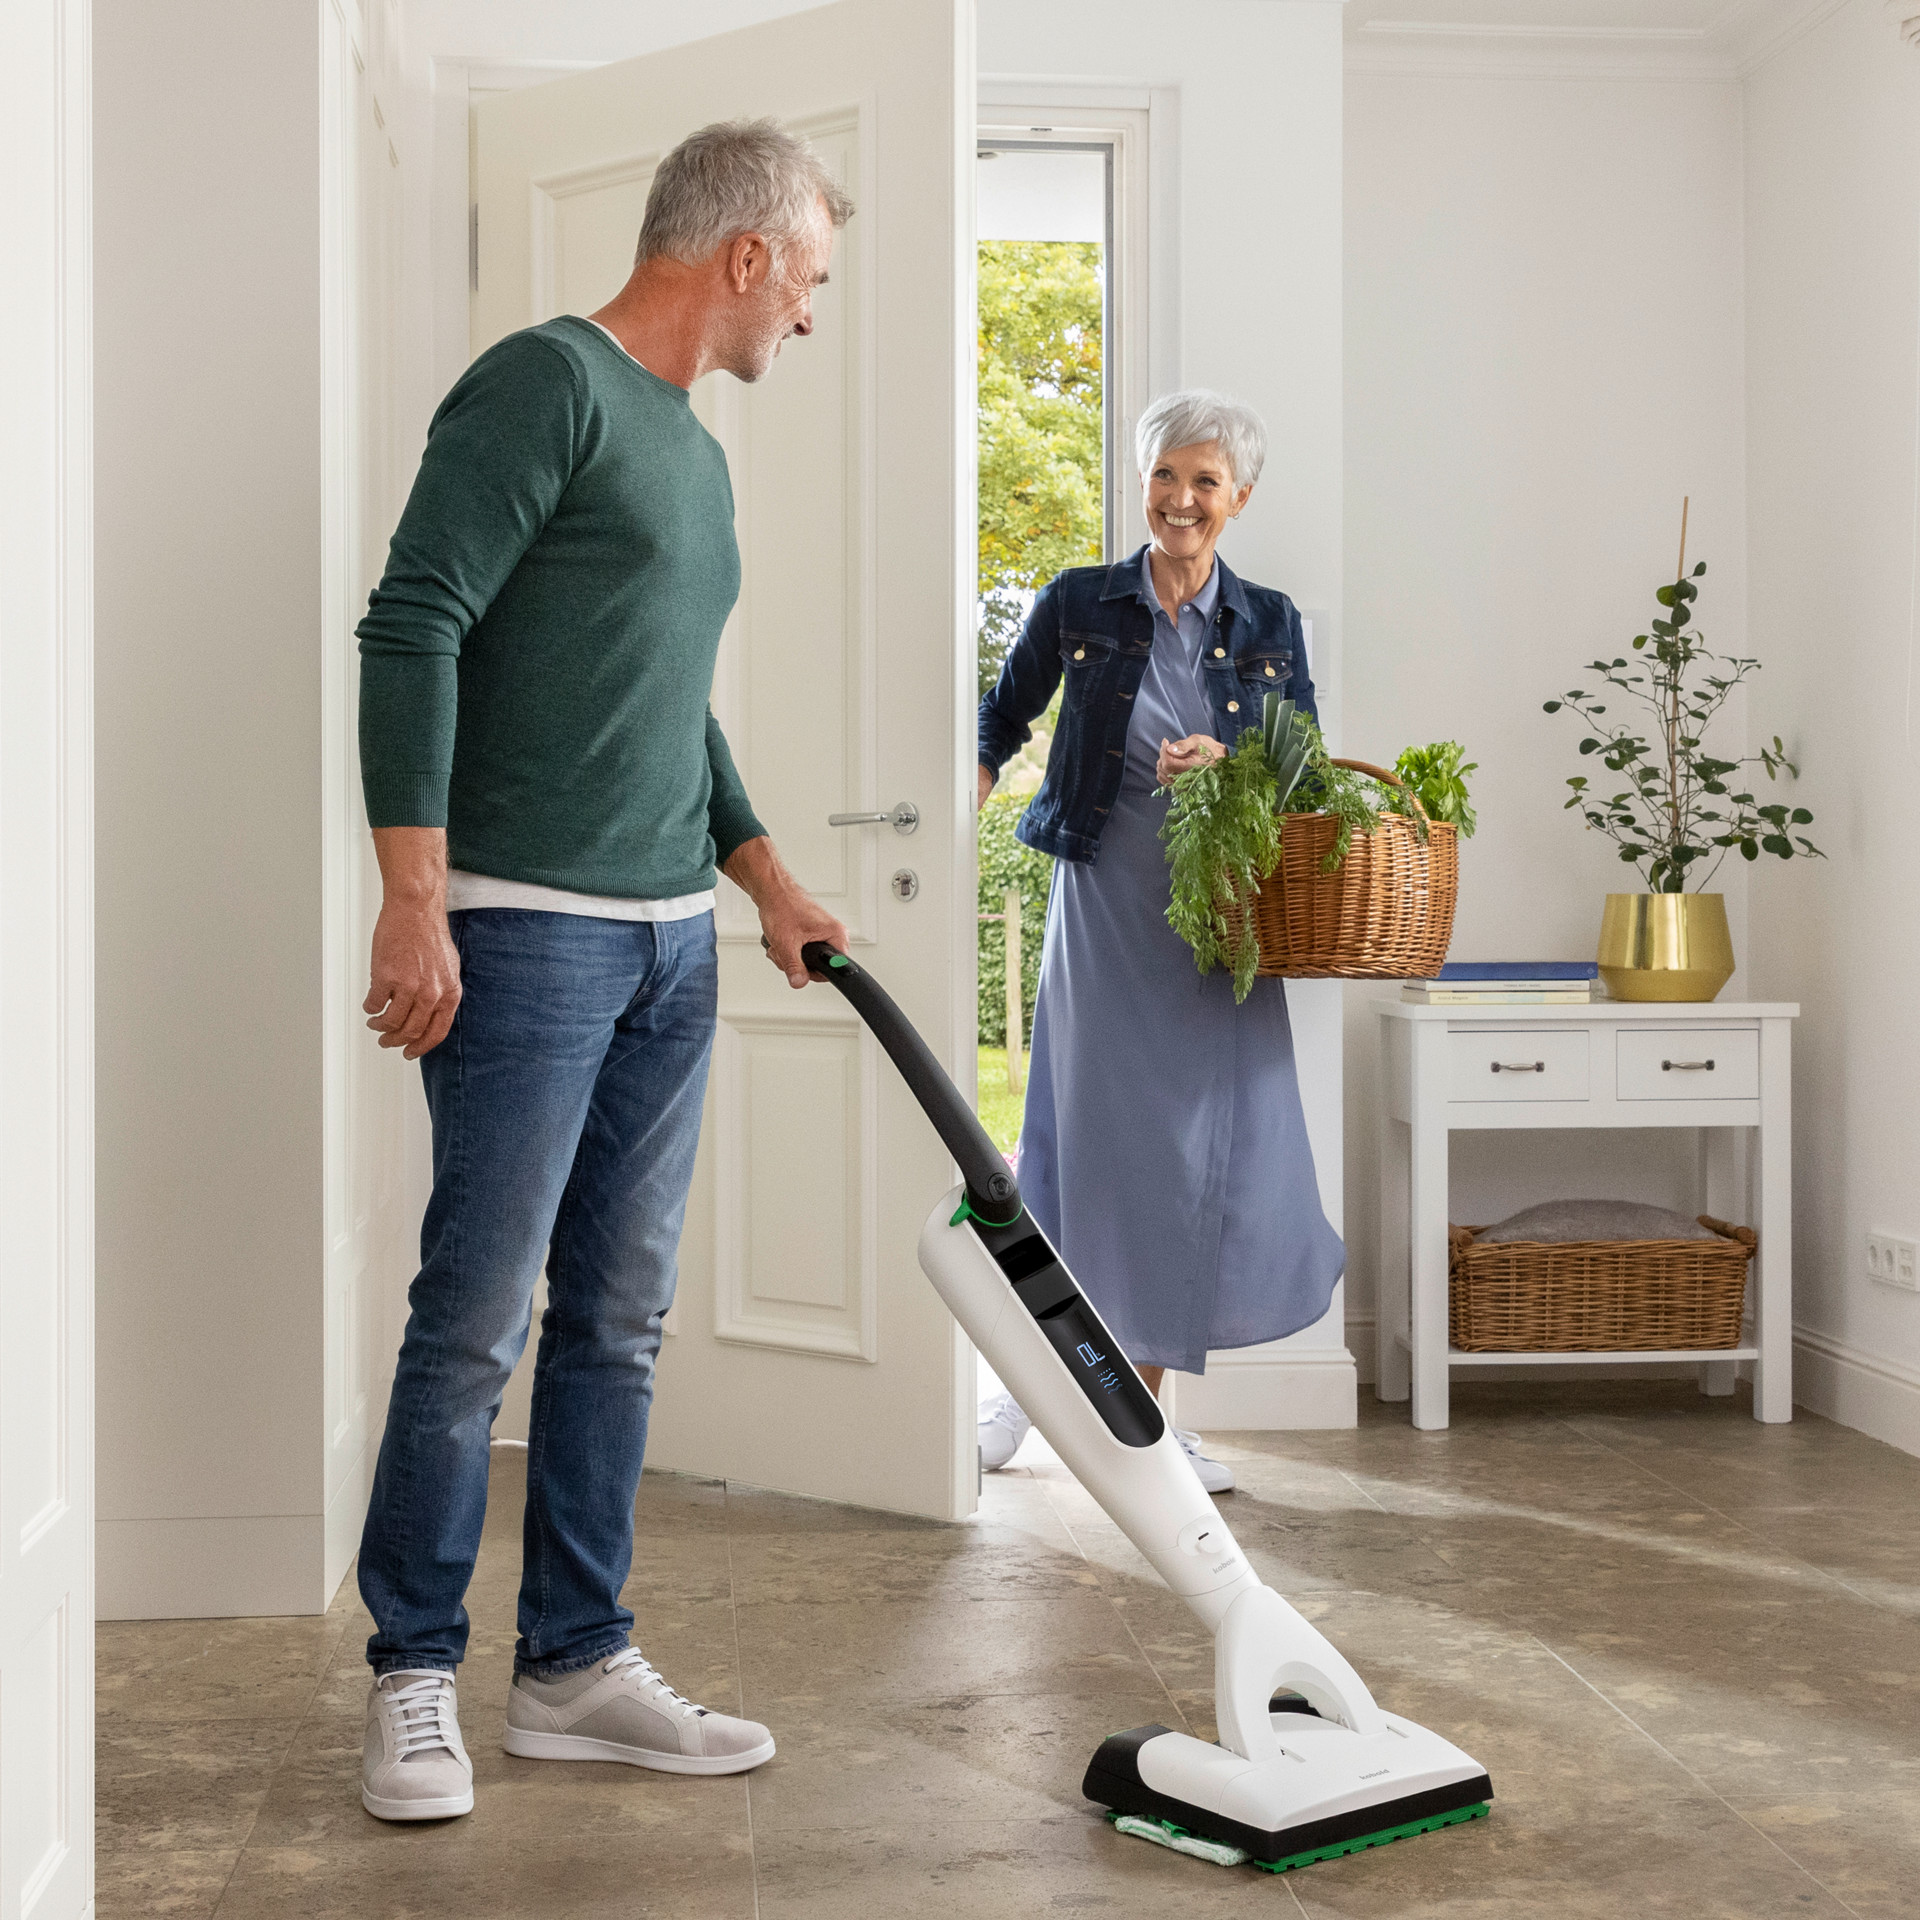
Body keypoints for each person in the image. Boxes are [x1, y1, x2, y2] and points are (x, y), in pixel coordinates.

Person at [351, 119, 851, 1824]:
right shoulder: (544, 386)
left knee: (618, 1326)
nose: (810, 320)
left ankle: (571, 1665)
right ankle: (415, 1673)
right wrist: (411, 898)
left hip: (667, 946)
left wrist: (765, 876)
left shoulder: (692, 452)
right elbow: (414, 619)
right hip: (525, 926)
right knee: (474, 1321)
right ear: (747, 254)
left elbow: (662, 699)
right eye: (812, 284)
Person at [974, 390, 1346, 1493]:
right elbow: (1000, 720)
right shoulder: (1080, 600)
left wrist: (1229, 767)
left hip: (1216, 918)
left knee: (1192, 1169)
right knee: (1080, 1154)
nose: (1182, 500)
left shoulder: (1270, 621)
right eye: (1165, 476)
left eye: (1206, 482)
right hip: (1102, 902)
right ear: (1143, 483)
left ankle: (1143, 1414)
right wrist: (954, 802)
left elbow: (1308, 771)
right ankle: (1029, 1392)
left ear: (1240, 497)